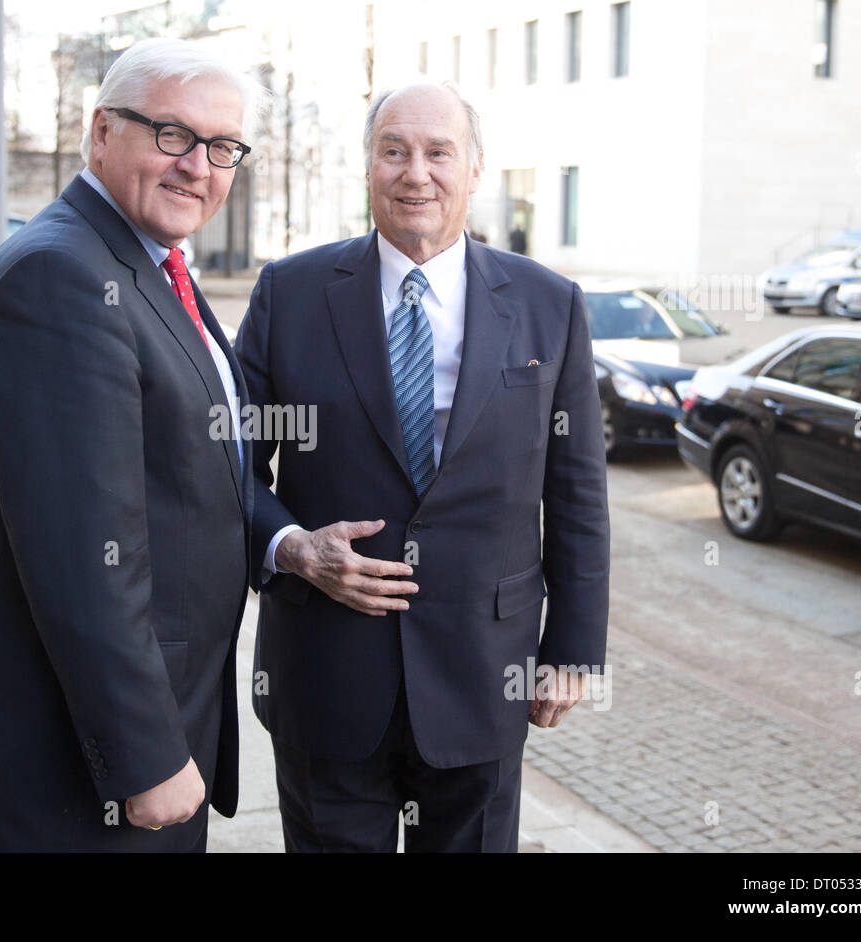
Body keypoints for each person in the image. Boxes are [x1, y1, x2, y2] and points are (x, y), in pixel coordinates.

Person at [0, 38, 261, 852]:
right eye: (170, 134)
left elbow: (187, 473)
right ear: (101, 132)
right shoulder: (62, 278)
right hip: (76, 775)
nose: (197, 166)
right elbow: (82, 558)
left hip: (131, 736)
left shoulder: (141, 257)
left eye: (222, 148)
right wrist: (144, 758)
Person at [233, 83, 610, 853]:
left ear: (475, 171)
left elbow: (576, 491)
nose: (416, 174)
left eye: (439, 153)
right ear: (367, 168)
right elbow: (227, 465)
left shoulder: (550, 304)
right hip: (325, 672)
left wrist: (572, 649)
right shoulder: (289, 294)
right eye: (394, 151)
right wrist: (292, 548)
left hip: (483, 672)